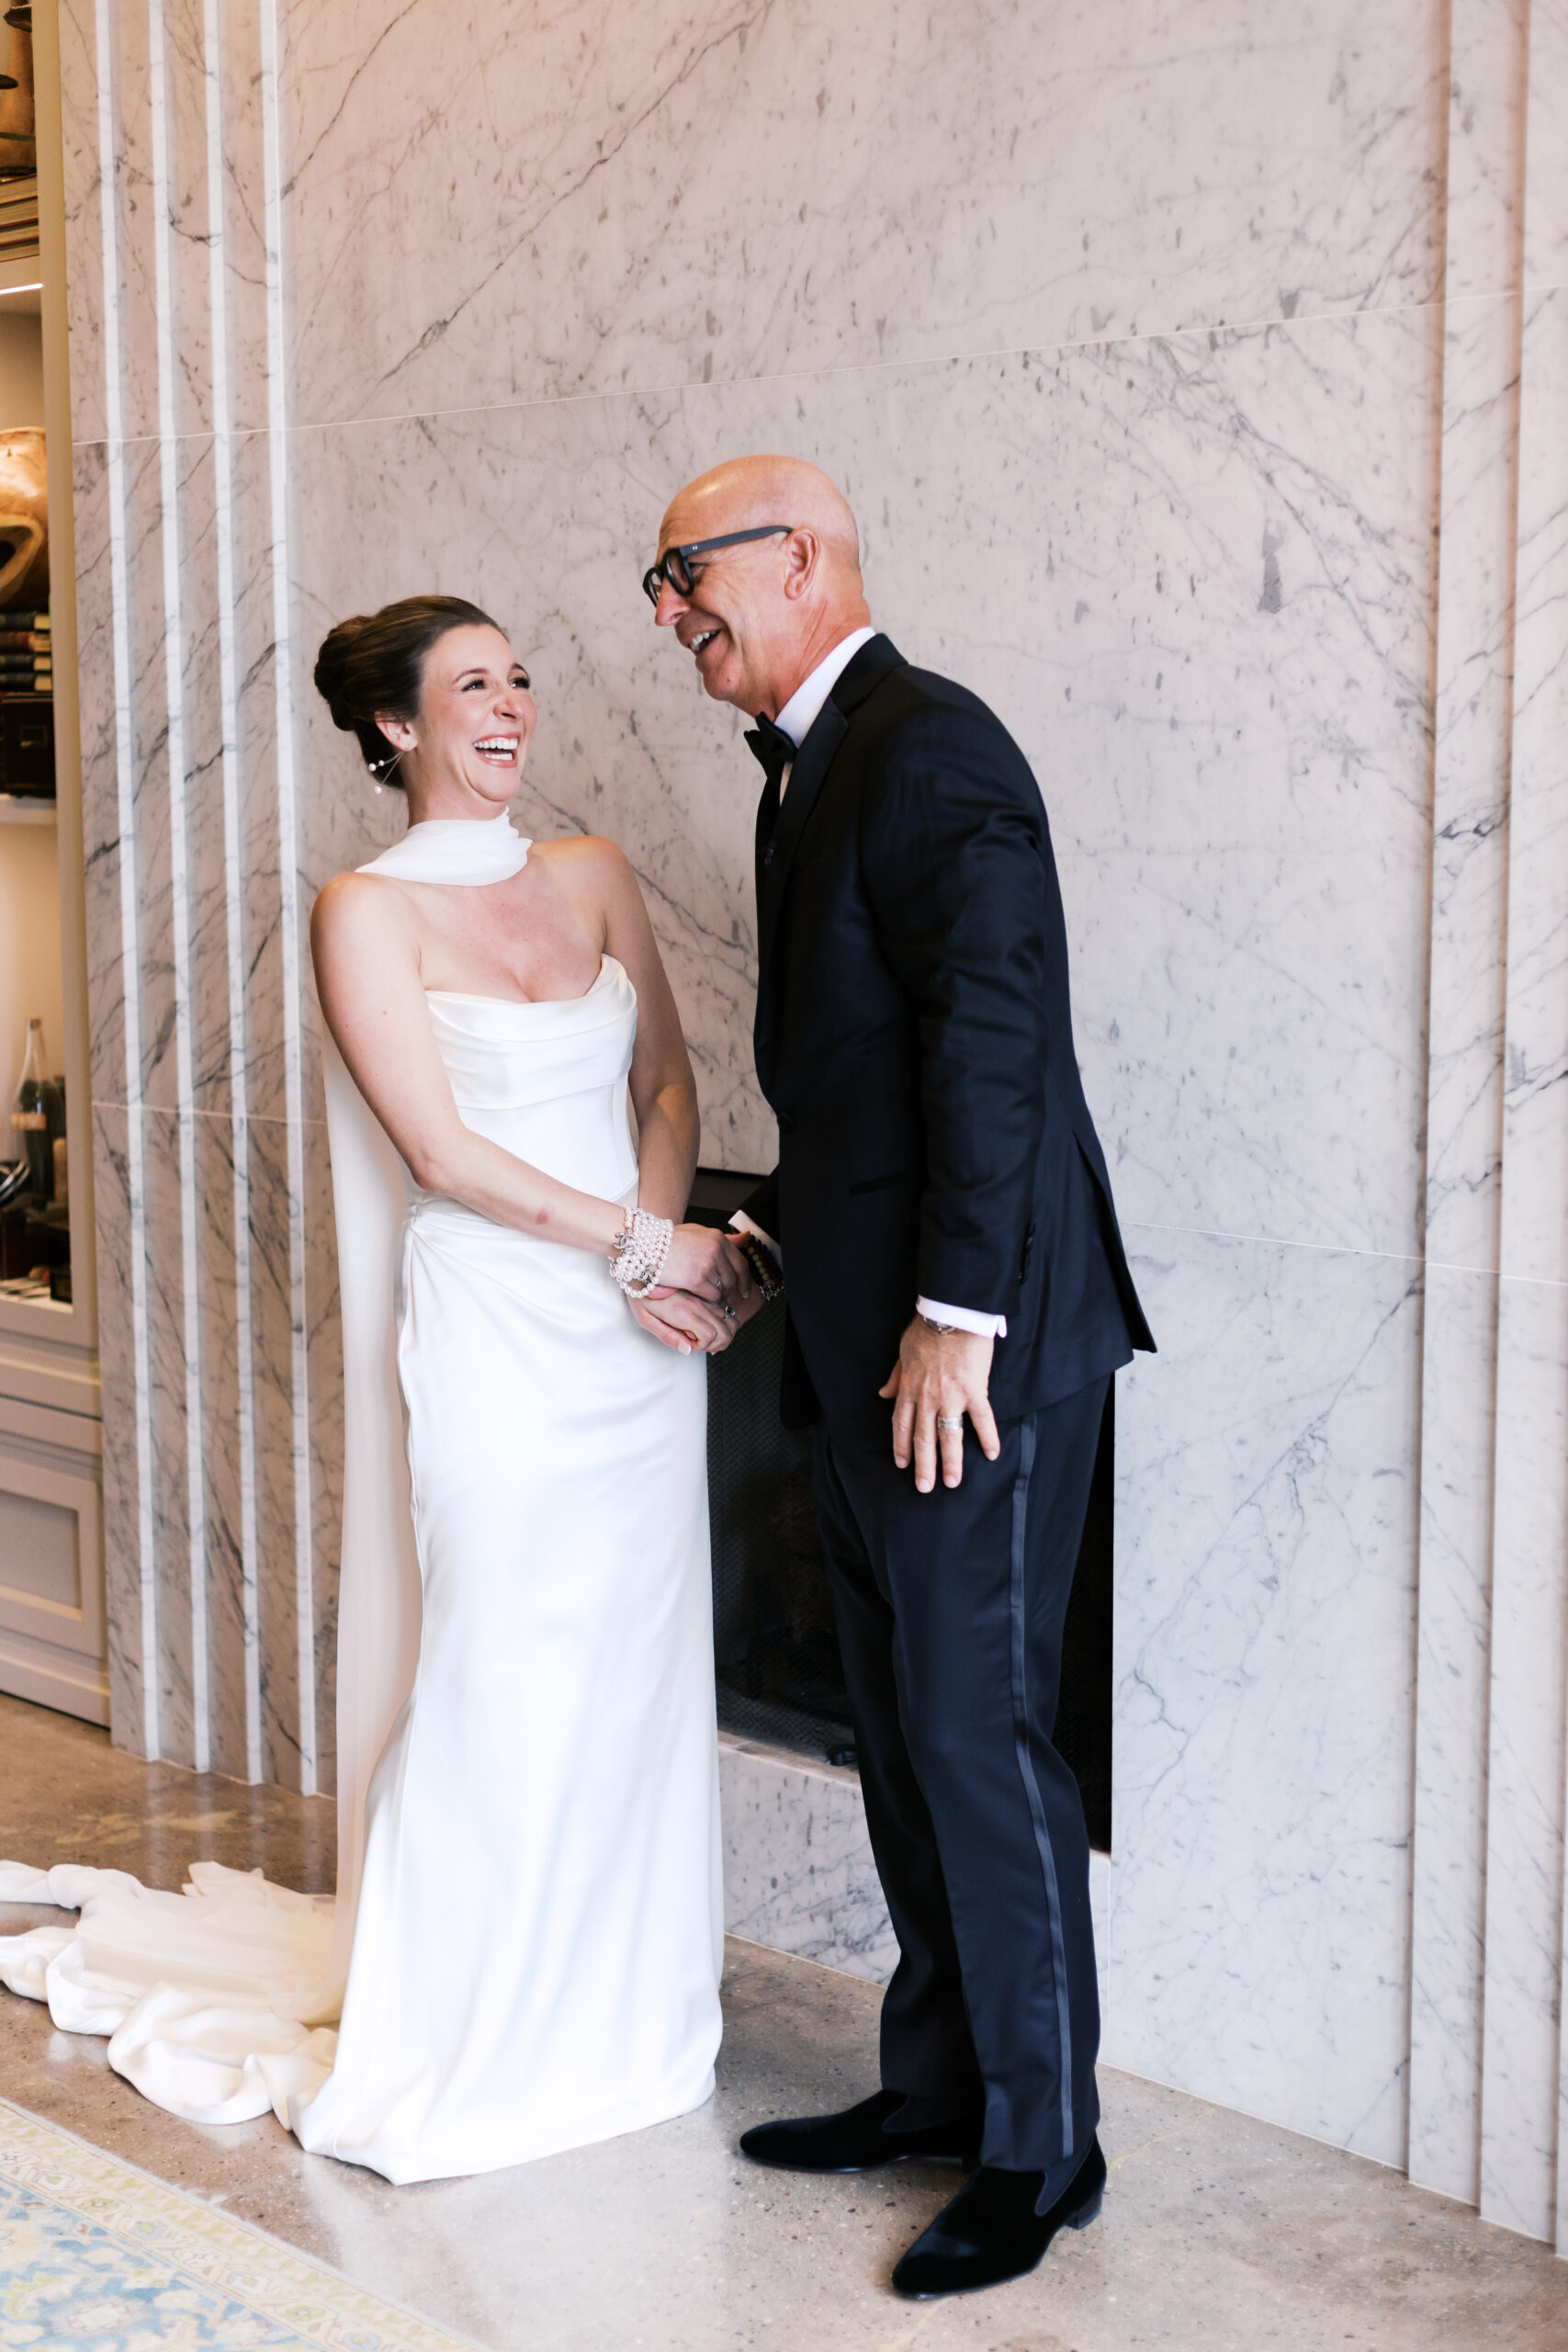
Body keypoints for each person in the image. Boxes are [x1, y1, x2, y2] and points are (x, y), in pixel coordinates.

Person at [0, 594, 746, 2187]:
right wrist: (643, 1243)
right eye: (473, 685)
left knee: (632, 1666)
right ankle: (473, 2024)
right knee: (501, 1661)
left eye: (518, 678)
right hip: (497, 1332)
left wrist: (659, 1257)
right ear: (397, 726)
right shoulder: (364, 910)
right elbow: (441, 1157)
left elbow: (667, 1079)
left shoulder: (593, 873)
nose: (512, 704)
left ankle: (624, 2008)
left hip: (635, 1339)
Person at [645, 461, 1155, 2299]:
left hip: (972, 1358)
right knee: (904, 1734)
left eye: (683, 571)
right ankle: (938, 2086)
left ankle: (1040, 2148)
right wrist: (768, 1240)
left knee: (976, 1738)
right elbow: (863, 1090)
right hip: (871, 1352)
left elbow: (996, 1048)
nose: (667, 610)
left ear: (798, 556)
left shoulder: (930, 746)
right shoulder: (806, 770)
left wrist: (955, 1316)